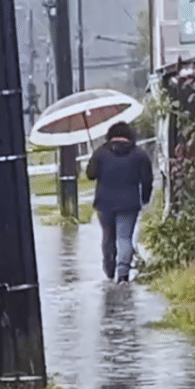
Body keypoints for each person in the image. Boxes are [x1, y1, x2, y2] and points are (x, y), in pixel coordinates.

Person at [86, 121, 153, 283]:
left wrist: (93, 160)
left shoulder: (101, 153)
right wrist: (144, 198)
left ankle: (109, 268)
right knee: (124, 238)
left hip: (104, 204)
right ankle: (123, 273)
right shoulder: (140, 154)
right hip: (129, 204)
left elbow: (90, 175)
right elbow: (147, 180)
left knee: (108, 237)